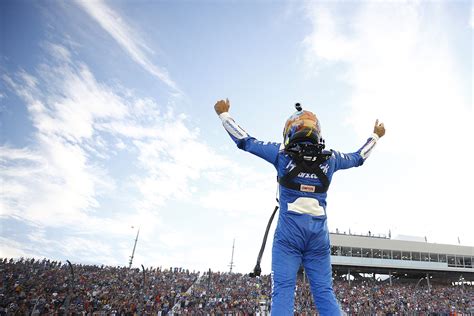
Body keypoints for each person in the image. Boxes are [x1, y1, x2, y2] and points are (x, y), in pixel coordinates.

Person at [214, 98, 385, 315]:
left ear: (290, 131)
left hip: (288, 237)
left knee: (283, 290)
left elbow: (245, 141)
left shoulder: (281, 154)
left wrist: (224, 115)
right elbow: (359, 157)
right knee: (324, 291)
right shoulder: (331, 159)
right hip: (318, 238)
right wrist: (376, 135)